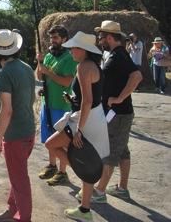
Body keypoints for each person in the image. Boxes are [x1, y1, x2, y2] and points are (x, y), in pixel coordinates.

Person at [43, 32, 109, 222]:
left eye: (75, 47)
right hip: (95, 116)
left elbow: (87, 100)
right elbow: (91, 98)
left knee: (51, 144)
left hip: (84, 118)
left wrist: (79, 128)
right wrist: (74, 100)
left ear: (85, 50)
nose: (71, 50)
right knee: (87, 158)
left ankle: (84, 177)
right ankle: (85, 209)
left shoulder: (83, 67)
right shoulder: (94, 65)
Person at [0, 29, 35, 222]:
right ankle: (12, 210)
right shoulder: (26, 67)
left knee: (20, 180)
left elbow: (6, 110)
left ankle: (25, 217)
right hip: (29, 129)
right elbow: (30, 99)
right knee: (18, 175)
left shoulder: (4, 74)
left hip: (15, 135)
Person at [90, 20, 142, 203]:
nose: (99, 40)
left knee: (110, 152)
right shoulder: (116, 54)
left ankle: (99, 192)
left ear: (110, 37)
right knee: (122, 151)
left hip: (119, 114)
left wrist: (119, 98)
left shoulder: (119, 55)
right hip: (120, 114)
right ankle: (122, 188)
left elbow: (137, 76)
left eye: (101, 37)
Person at [36, 25, 77, 186]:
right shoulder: (48, 56)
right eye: (51, 38)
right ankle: (52, 165)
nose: (52, 41)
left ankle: (63, 172)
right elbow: (39, 76)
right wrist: (39, 62)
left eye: (56, 38)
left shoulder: (69, 57)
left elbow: (67, 82)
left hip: (61, 105)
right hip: (47, 103)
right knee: (48, 137)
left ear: (64, 39)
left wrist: (49, 73)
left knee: (60, 140)